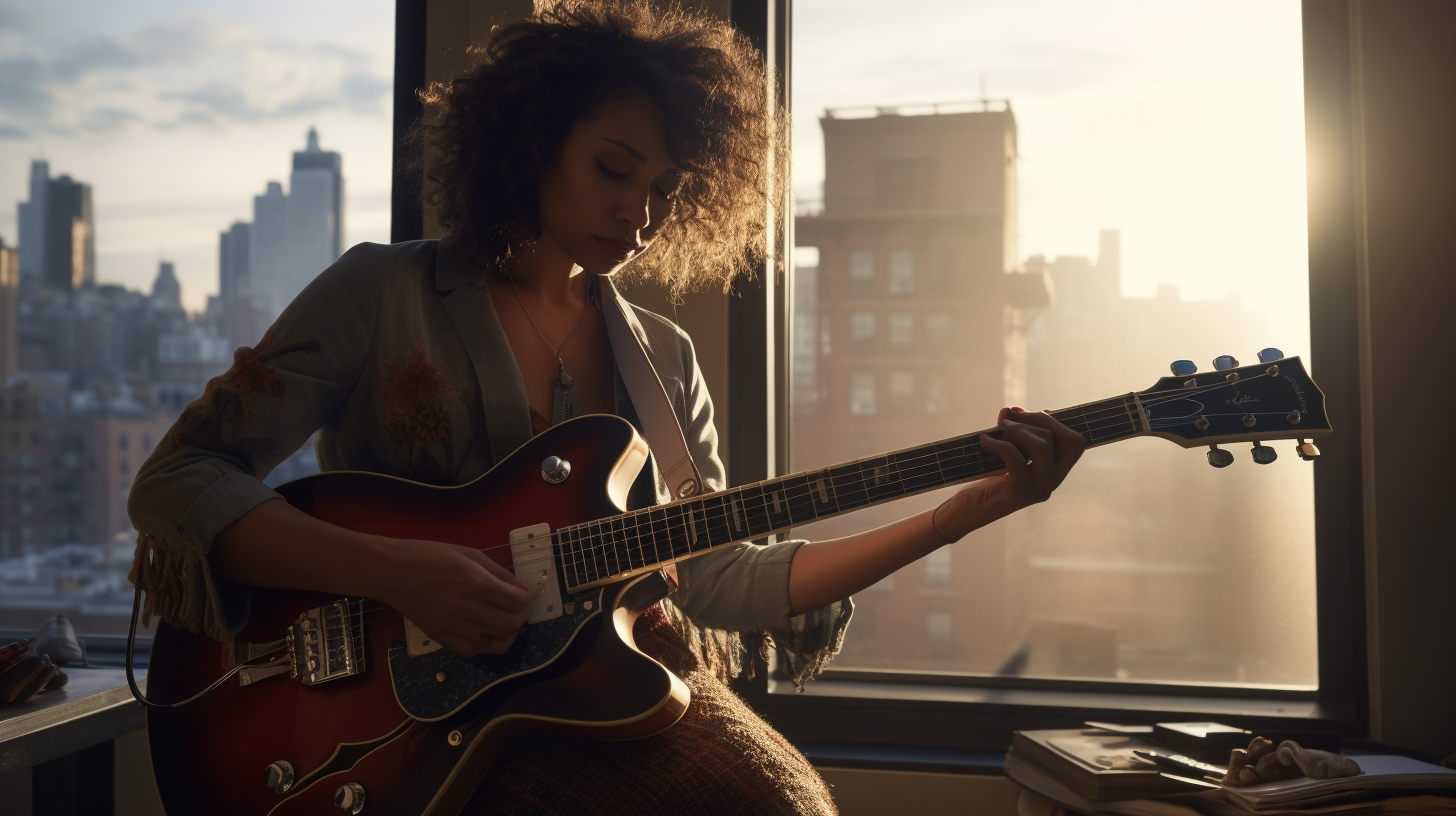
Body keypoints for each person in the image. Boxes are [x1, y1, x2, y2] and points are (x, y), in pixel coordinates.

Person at [127, 2, 1086, 813]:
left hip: (597, 687)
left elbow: (717, 580)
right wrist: (402, 573)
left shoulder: (663, 360)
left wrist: (961, 516)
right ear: (533, 143)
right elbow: (178, 480)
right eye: (616, 168)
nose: (643, 211)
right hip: (380, 718)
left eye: (667, 188)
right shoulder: (381, 292)